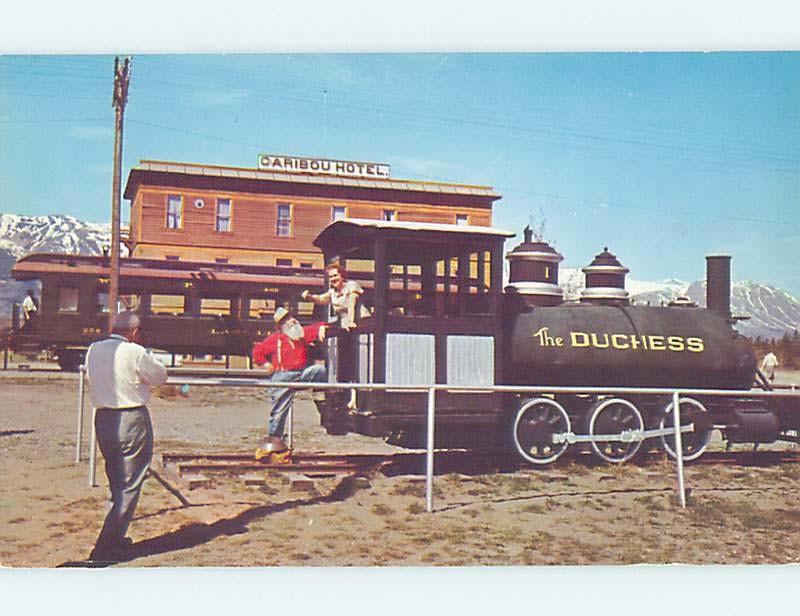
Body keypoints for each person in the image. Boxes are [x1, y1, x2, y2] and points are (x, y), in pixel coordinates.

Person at [84, 311, 168, 562]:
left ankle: (116, 537)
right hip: (131, 418)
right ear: (134, 332)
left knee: (117, 482)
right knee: (129, 486)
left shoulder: (93, 350)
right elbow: (160, 377)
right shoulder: (135, 352)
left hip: (104, 418)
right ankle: (105, 547)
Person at [251, 307, 328, 448]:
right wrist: (266, 364)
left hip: (301, 373)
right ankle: (275, 441)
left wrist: (322, 327)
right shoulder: (275, 339)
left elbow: (319, 326)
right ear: (280, 326)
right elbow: (257, 351)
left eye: (291, 317)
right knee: (279, 411)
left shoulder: (302, 334)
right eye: (286, 319)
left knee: (320, 370)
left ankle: (320, 400)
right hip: (283, 376)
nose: (291, 320)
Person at [302, 263, 364, 330]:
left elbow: (352, 304)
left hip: (361, 324)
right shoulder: (332, 292)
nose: (333, 279)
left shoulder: (351, 285)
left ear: (342, 276)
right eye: (330, 277)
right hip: (345, 326)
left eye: (335, 275)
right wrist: (309, 297)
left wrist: (351, 321)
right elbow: (320, 299)